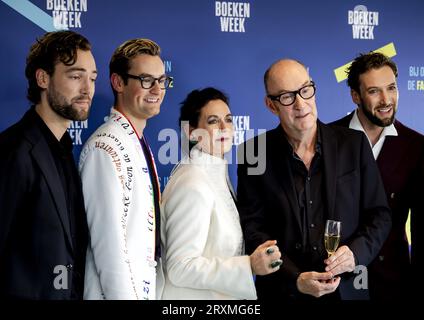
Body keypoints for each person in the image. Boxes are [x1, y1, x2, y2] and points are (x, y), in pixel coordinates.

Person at [237, 59, 392, 300]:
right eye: (287, 97)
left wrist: (355, 253)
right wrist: (294, 279)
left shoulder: (354, 144)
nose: (301, 104)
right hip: (283, 293)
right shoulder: (253, 153)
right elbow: (253, 230)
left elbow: (379, 215)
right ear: (271, 105)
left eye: (305, 90)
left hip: (347, 291)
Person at [159, 88, 282, 300]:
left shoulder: (213, 174)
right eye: (214, 121)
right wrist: (248, 266)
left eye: (228, 119)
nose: (225, 128)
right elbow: (180, 267)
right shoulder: (193, 183)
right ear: (191, 132)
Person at [0, 31, 96, 299]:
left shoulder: (66, 150)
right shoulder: (13, 150)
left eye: (92, 78)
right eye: (76, 76)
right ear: (43, 78)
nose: (87, 89)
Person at [79, 38, 169, 300]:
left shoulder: (136, 141)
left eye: (162, 80)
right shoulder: (104, 148)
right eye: (146, 80)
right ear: (118, 83)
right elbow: (109, 249)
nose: (157, 89)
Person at [330, 52, 424, 300]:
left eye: (391, 88)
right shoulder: (327, 139)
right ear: (355, 96)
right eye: (374, 91)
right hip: (336, 284)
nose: (386, 100)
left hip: (393, 284)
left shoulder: (416, 146)